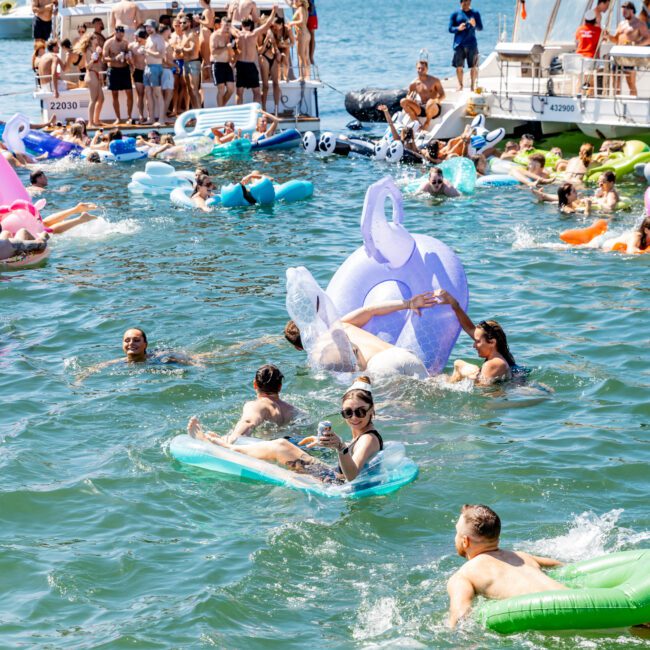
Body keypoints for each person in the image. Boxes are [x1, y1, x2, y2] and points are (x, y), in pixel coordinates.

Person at [188, 376, 384, 485]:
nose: (354, 417)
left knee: (281, 446)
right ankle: (222, 444)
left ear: (371, 410)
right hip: (335, 476)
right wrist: (332, 444)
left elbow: (352, 476)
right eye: (348, 413)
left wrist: (340, 447)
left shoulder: (368, 439)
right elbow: (358, 457)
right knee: (282, 445)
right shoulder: (365, 436)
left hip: (335, 482)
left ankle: (220, 446)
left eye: (360, 411)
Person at [447, 504, 565, 628]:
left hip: (547, 613)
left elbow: (460, 616)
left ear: (465, 541)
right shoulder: (523, 557)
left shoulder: (465, 574)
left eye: (456, 533)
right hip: (574, 599)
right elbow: (560, 565)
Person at [284, 293, 439, 379]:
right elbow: (370, 311)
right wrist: (408, 304)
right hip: (403, 355)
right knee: (433, 389)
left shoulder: (319, 354)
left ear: (298, 347)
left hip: (379, 367)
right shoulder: (340, 325)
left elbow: (351, 372)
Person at [186, 365, 297, 444]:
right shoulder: (293, 410)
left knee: (230, 439)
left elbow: (248, 422)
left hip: (264, 448)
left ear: (254, 384)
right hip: (287, 445)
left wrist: (232, 438)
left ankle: (215, 442)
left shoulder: (256, 405)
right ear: (280, 387)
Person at [432, 289, 516, 384]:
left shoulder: (493, 364)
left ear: (492, 342)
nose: (474, 345)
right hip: (509, 384)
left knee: (459, 364)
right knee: (457, 366)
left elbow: (484, 393)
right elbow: (469, 327)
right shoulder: (501, 354)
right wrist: (454, 304)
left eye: (477, 342)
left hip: (510, 391)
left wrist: (471, 377)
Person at [78, 328, 204, 381]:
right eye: (127, 341)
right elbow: (96, 367)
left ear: (145, 344)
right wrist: (80, 379)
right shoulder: (120, 362)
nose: (131, 343)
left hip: (165, 359)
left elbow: (186, 359)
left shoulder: (162, 357)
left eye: (136, 340)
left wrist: (198, 364)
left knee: (205, 357)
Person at [605, 1, 650, 96]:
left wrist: (637, 45)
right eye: (622, 10)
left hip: (630, 56)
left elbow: (648, 38)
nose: (623, 12)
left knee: (631, 83)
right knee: (615, 83)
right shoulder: (621, 24)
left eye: (625, 10)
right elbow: (616, 39)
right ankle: (616, 101)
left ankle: (634, 104)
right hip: (618, 56)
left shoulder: (639, 24)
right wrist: (609, 36)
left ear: (632, 10)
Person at [233, 8, 277, 104]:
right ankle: (255, 114)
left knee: (239, 93)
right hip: (250, 66)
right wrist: (274, 11)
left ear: (242, 25)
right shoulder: (253, 34)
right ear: (250, 25)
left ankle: (239, 113)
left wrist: (232, 10)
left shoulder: (237, 34)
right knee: (256, 93)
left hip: (240, 65)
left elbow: (229, 24)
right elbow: (267, 24)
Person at [399, 59, 445, 131]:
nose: (420, 70)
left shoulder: (434, 81)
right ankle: (417, 123)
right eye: (419, 68)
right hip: (421, 108)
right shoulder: (413, 84)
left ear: (427, 69)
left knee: (430, 102)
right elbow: (408, 96)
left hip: (434, 108)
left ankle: (427, 123)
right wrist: (410, 99)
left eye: (422, 68)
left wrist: (436, 100)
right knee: (403, 101)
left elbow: (443, 95)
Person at [449, 0, 483, 91]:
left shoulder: (475, 13)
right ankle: (460, 85)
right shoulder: (455, 14)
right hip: (458, 44)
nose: (466, 5)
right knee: (459, 66)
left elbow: (480, 28)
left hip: (471, 44)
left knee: (473, 66)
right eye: (464, 3)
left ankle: (472, 86)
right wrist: (458, 28)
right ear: (460, 2)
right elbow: (450, 28)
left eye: (468, 3)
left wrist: (474, 24)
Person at [103, 26, 134, 124]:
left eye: (122, 34)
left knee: (129, 93)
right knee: (114, 95)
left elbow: (129, 55)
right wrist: (114, 58)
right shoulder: (108, 43)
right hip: (113, 70)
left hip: (124, 69)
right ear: (115, 33)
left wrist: (129, 59)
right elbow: (103, 58)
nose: (120, 35)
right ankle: (118, 118)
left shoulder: (125, 43)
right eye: (118, 33)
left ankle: (129, 117)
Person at [74, 32, 105, 127]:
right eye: (95, 38)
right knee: (93, 99)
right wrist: (94, 57)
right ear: (91, 40)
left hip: (96, 74)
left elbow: (99, 63)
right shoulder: (88, 51)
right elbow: (87, 66)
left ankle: (96, 120)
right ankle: (90, 123)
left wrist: (99, 54)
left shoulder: (95, 49)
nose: (97, 39)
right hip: (91, 74)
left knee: (101, 98)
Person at [143, 19, 166, 125]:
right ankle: (151, 118)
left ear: (154, 27)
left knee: (158, 93)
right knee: (148, 94)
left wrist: (146, 51)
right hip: (147, 68)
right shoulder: (148, 38)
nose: (148, 28)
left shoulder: (159, 38)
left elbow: (161, 55)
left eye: (150, 26)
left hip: (156, 67)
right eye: (146, 26)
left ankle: (161, 120)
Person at [210, 15, 236, 106]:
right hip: (217, 64)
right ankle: (221, 109)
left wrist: (232, 60)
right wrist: (226, 47)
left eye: (229, 26)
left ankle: (221, 107)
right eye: (225, 25)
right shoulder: (215, 35)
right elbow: (213, 52)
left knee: (231, 89)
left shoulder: (230, 35)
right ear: (221, 24)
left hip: (227, 64)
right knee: (221, 89)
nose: (227, 28)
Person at [258, 15, 281, 113]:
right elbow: (259, 51)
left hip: (273, 58)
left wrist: (275, 46)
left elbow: (276, 47)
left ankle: (276, 108)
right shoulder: (260, 34)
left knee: (276, 84)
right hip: (264, 57)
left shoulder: (274, 32)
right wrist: (266, 40)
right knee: (266, 85)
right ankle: (264, 108)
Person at [180, 13, 201, 109]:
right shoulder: (184, 35)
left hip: (193, 62)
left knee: (194, 89)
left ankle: (200, 112)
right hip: (186, 63)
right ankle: (194, 112)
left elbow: (193, 48)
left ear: (189, 23)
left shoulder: (192, 34)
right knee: (189, 90)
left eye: (184, 23)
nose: (182, 24)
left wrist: (182, 49)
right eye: (180, 23)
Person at [287, 0, 310, 80]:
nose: (295, 1)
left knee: (300, 56)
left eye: (296, 0)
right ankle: (307, 76)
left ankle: (301, 76)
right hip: (306, 33)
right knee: (306, 56)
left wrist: (291, 23)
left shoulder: (300, 9)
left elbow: (302, 21)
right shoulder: (304, 8)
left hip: (301, 34)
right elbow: (291, 4)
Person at [129, 29, 147, 123]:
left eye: (137, 36)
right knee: (140, 94)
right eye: (135, 36)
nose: (135, 38)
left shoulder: (148, 44)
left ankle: (149, 115)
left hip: (147, 71)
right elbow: (127, 56)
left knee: (149, 95)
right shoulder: (132, 46)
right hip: (138, 71)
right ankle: (141, 115)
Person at [306, 0, 317, 65]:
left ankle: (311, 56)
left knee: (312, 35)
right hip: (304, 12)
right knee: (306, 36)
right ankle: (309, 56)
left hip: (311, 13)